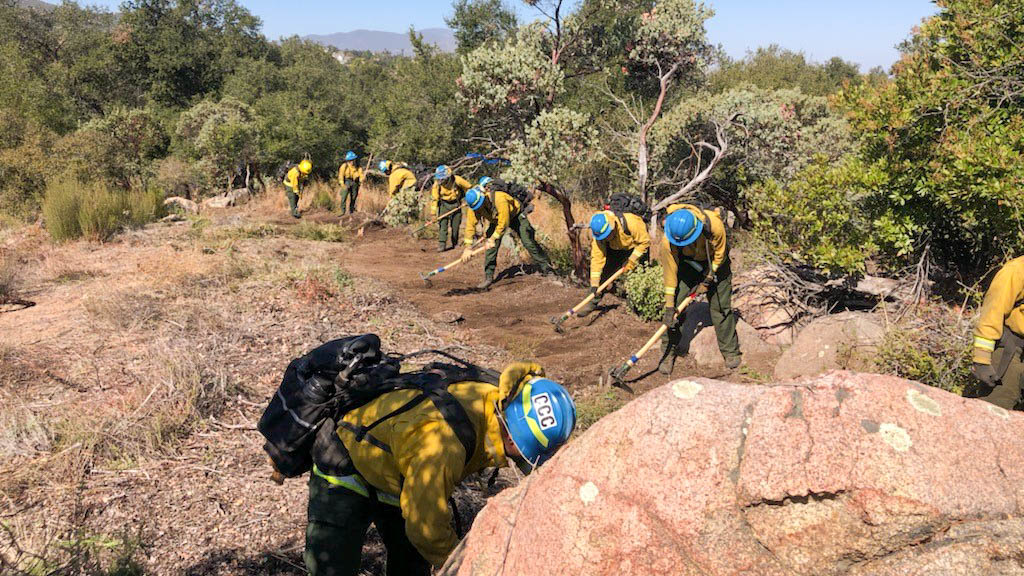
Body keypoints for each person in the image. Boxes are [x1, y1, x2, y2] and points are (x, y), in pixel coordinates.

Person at [304, 361, 576, 576]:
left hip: (396, 468)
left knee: (412, 566)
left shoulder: (494, 394)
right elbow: (427, 530)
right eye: (525, 455)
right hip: (342, 467)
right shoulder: (444, 448)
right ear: (513, 438)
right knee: (332, 567)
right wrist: (462, 565)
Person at [657, 204, 742, 373]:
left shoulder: (714, 226)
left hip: (716, 264)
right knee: (675, 306)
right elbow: (670, 274)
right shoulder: (669, 240)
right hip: (688, 264)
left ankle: (730, 351)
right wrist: (669, 306)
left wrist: (709, 277)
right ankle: (668, 351)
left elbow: (720, 254)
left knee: (720, 307)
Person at [461, 177, 554, 290]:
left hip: (515, 216)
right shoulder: (474, 207)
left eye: (480, 204)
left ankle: (547, 268)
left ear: (484, 196)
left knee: (528, 242)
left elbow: (503, 223)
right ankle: (488, 277)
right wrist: (467, 247)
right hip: (495, 221)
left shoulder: (499, 198)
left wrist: (493, 238)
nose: (479, 208)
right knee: (490, 249)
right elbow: (470, 227)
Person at [970, 256, 1024, 410]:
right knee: (998, 405)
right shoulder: (1016, 270)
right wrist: (981, 359)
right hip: (1010, 347)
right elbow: (992, 313)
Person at [576, 209, 651, 318]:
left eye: (607, 235)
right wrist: (594, 284)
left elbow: (645, 242)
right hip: (616, 248)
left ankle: (637, 307)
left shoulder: (632, 223)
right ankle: (590, 303)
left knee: (638, 277)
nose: (605, 238)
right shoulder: (600, 236)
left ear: (613, 226)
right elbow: (597, 259)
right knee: (604, 276)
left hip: (636, 247)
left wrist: (631, 260)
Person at [430, 165, 472, 252]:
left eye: (443, 179)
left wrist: (469, 200)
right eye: (439, 179)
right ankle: (442, 244)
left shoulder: (457, 180)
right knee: (443, 225)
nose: (441, 181)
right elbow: (434, 199)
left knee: (455, 226)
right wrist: (433, 214)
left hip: (456, 205)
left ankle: (455, 243)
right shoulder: (436, 185)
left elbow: (469, 188)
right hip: (444, 205)